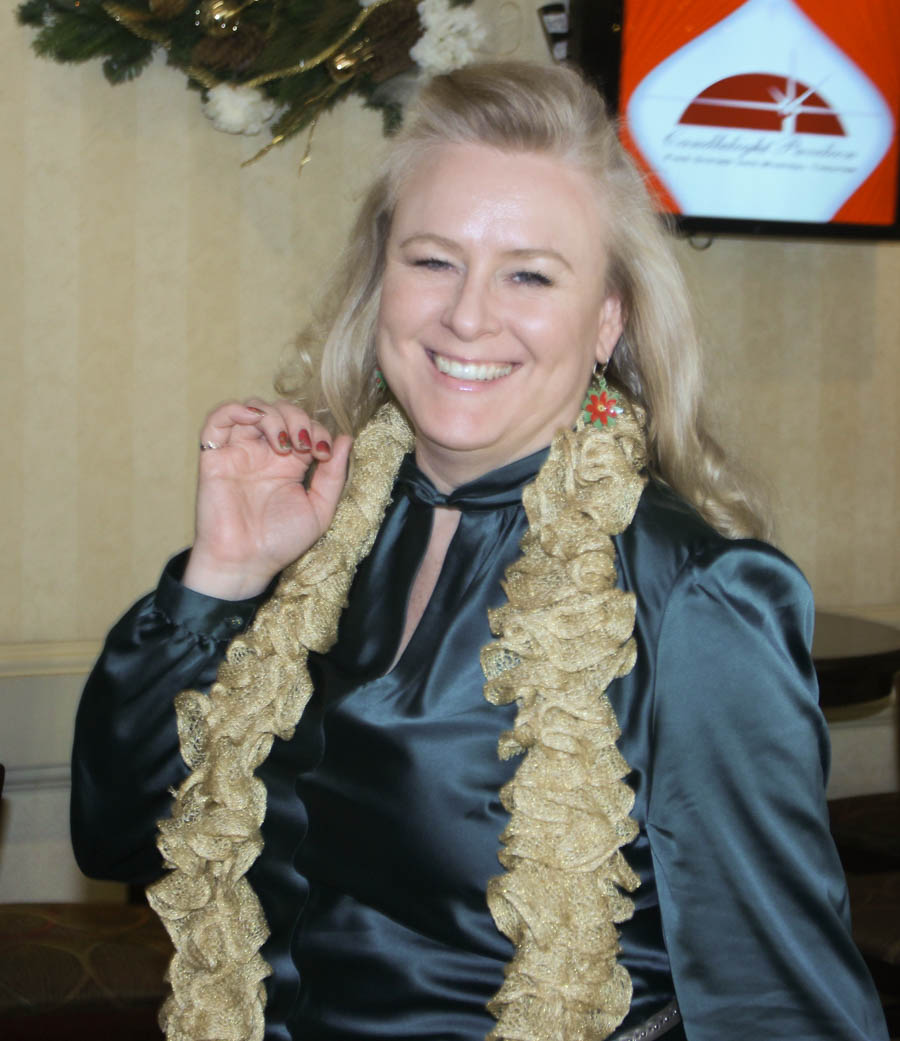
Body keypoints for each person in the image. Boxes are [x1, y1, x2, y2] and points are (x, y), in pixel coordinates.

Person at [71, 61, 887, 1041]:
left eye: (530, 274)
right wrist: (223, 579)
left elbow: (779, 1007)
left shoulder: (698, 598)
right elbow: (118, 838)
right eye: (433, 260)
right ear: (381, 282)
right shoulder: (315, 536)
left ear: (608, 319)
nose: (467, 315)